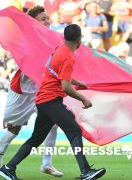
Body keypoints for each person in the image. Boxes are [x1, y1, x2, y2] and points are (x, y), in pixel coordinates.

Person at [0, 24, 106, 180]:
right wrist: (83, 99)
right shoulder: (68, 56)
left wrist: (76, 81)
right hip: (51, 101)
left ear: (64, 37)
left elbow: (56, 74)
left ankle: (9, 167)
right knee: (74, 131)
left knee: (36, 138)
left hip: (44, 100)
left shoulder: (59, 50)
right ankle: (85, 171)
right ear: (79, 40)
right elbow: (66, 87)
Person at [0, 6, 63, 177]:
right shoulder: (27, 41)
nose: (47, 21)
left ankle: (46, 163)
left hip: (41, 90)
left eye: (47, 18)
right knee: (14, 128)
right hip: (23, 91)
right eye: (43, 19)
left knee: (53, 121)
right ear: (32, 23)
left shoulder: (52, 40)